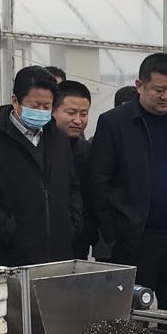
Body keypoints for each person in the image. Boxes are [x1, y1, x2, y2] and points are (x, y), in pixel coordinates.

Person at [89, 53, 167, 309]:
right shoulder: (114, 123)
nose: (166, 96)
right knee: (132, 315)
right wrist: (113, 234)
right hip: (135, 240)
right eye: (159, 90)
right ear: (139, 85)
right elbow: (99, 182)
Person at [0, 66, 81, 266]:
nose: (41, 111)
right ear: (15, 101)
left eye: (47, 106)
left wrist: (71, 224)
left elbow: (72, 186)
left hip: (58, 252)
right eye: (35, 105)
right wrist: (11, 231)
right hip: (8, 254)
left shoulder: (59, 140)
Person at [53, 80, 98, 259]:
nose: (78, 120)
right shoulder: (42, 148)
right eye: (71, 113)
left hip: (79, 241)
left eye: (84, 114)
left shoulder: (87, 150)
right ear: (53, 110)